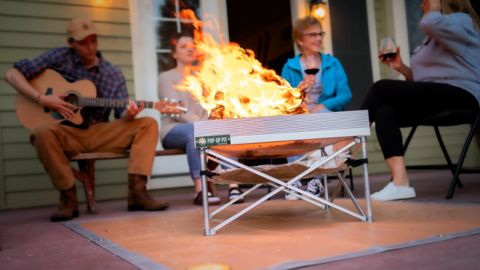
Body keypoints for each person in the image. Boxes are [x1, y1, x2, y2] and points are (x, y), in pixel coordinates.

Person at [4, 18, 169, 222]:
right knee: (41, 132)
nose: (91, 47)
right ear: (70, 43)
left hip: (100, 132)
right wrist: (44, 98)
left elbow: (121, 115)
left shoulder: (112, 73)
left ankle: (137, 193)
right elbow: (12, 74)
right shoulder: (59, 57)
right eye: (83, 43)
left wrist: (131, 112)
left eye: (94, 40)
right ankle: (68, 198)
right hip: (68, 133)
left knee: (148, 123)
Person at [361, 0, 480, 201]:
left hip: (463, 95)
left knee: (381, 88)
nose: (421, 5)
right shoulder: (433, 38)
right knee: (383, 108)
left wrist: (433, 7)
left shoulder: (463, 21)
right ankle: (400, 183)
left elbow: (429, 23)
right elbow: (422, 82)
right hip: (438, 97)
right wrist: (402, 69)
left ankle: (345, 144)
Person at [158, 32, 244, 205]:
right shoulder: (166, 77)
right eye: (183, 46)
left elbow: (212, 108)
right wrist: (203, 126)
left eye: (192, 45)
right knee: (196, 132)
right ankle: (200, 190)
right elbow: (176, 110)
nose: (190, 48)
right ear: (174, 54)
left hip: (203, 129)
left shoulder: (203, 78)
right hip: (173, 130)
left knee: (224, 129)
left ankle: (233, 185)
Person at [281, 16, 353, 200]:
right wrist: (300, 91)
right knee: (292, 123)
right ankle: (294, 180)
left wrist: (323, 105)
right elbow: (283, 100)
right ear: (300, 40)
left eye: (320, 34)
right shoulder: (290, 67)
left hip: (324, 116)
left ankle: (317, 179)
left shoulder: (332, 63)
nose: (318, 38)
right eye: (312, 34)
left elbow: (346, 95)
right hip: (300, 117)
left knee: (320, 116)